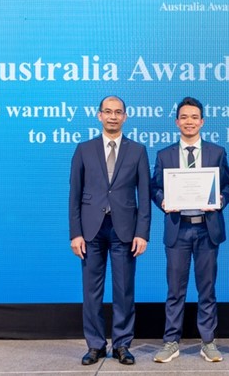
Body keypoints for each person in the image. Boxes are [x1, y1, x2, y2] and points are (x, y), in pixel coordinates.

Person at [68, 95, 151, 366]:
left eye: (118, 112)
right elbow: (74, 195)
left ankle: (122, 344)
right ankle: (95, 345)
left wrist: (142, 232)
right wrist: (75, 233)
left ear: (125, 116)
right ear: (99, 115)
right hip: (91, 231)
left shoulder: (138, 150)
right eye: (108, 112)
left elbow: (145, 195)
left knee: (124, 289)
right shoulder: (84, 149)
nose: (113, 116)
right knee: (91, 290)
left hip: (125, 230)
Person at [150, 97, 229, 363]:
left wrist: (220, 200)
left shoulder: (216, 152)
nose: (189, 122)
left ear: (202, 121)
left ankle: (208, 341)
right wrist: (163, 200)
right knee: (175, 289)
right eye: (184, 117)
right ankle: (171, 341)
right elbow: (154, 187)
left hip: (207, 230)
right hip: (178, 229)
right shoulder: (164, 154)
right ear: (177, 122)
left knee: (207, 288)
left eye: (194, 117)